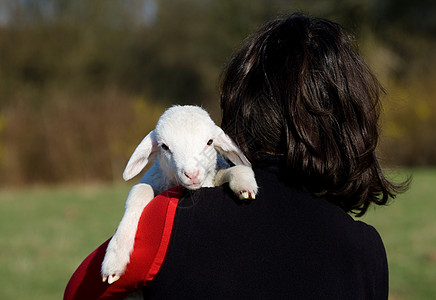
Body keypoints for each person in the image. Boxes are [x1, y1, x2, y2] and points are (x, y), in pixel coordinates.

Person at [64, 12, 407, 299]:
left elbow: (78, 293)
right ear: (352, 124)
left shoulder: (168, 222)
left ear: (240, 109)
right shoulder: (367, 253)